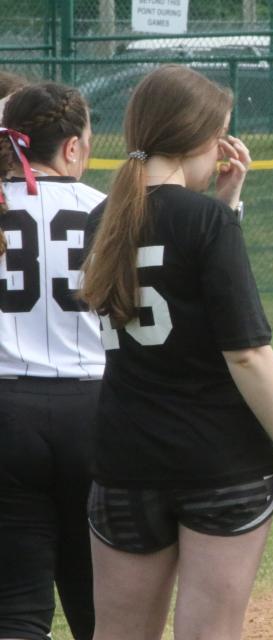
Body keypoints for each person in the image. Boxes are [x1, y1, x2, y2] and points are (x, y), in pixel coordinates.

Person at [79, 65, 273, 640]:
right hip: (219, 460)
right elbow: (247, 354)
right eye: (220, 134)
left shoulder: (103, 218)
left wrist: (225, 205)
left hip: (125, 458)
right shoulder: (206, 221)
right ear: (198, 138)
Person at [0, 81, 103, 640]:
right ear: (70, 148)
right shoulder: (106, 208)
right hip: (93, 408)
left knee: (15, 608)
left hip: (6, 412)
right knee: (103, 607)